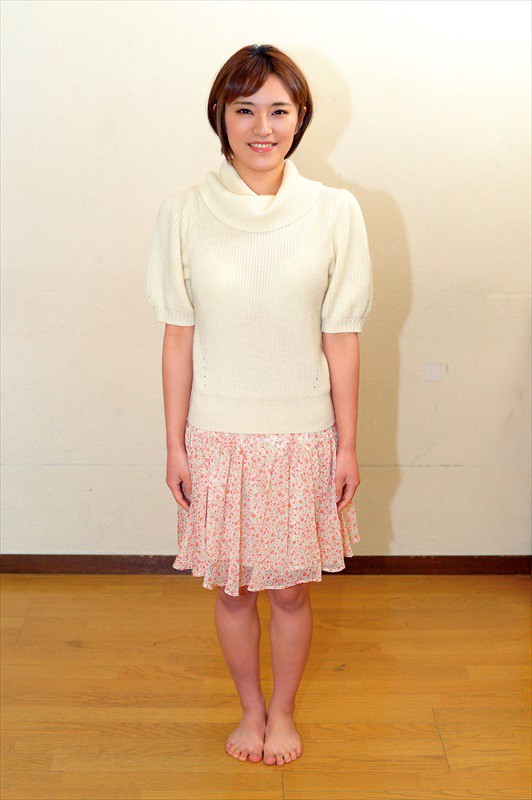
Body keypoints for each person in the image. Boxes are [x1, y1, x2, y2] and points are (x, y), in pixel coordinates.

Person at [146, 43, 373, 767]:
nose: (262, 127)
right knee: (234, 592)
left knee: (293, 595)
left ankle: (283, 712)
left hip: (302, 437)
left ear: (300, 117)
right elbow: (177, 336)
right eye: (245, 109)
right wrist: (175, 444)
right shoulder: (185, 212)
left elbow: (342, 337)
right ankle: (249, 710)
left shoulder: (334, 212)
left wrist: (347, 445)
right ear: (221, 116)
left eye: (278, 109)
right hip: (217, 436)